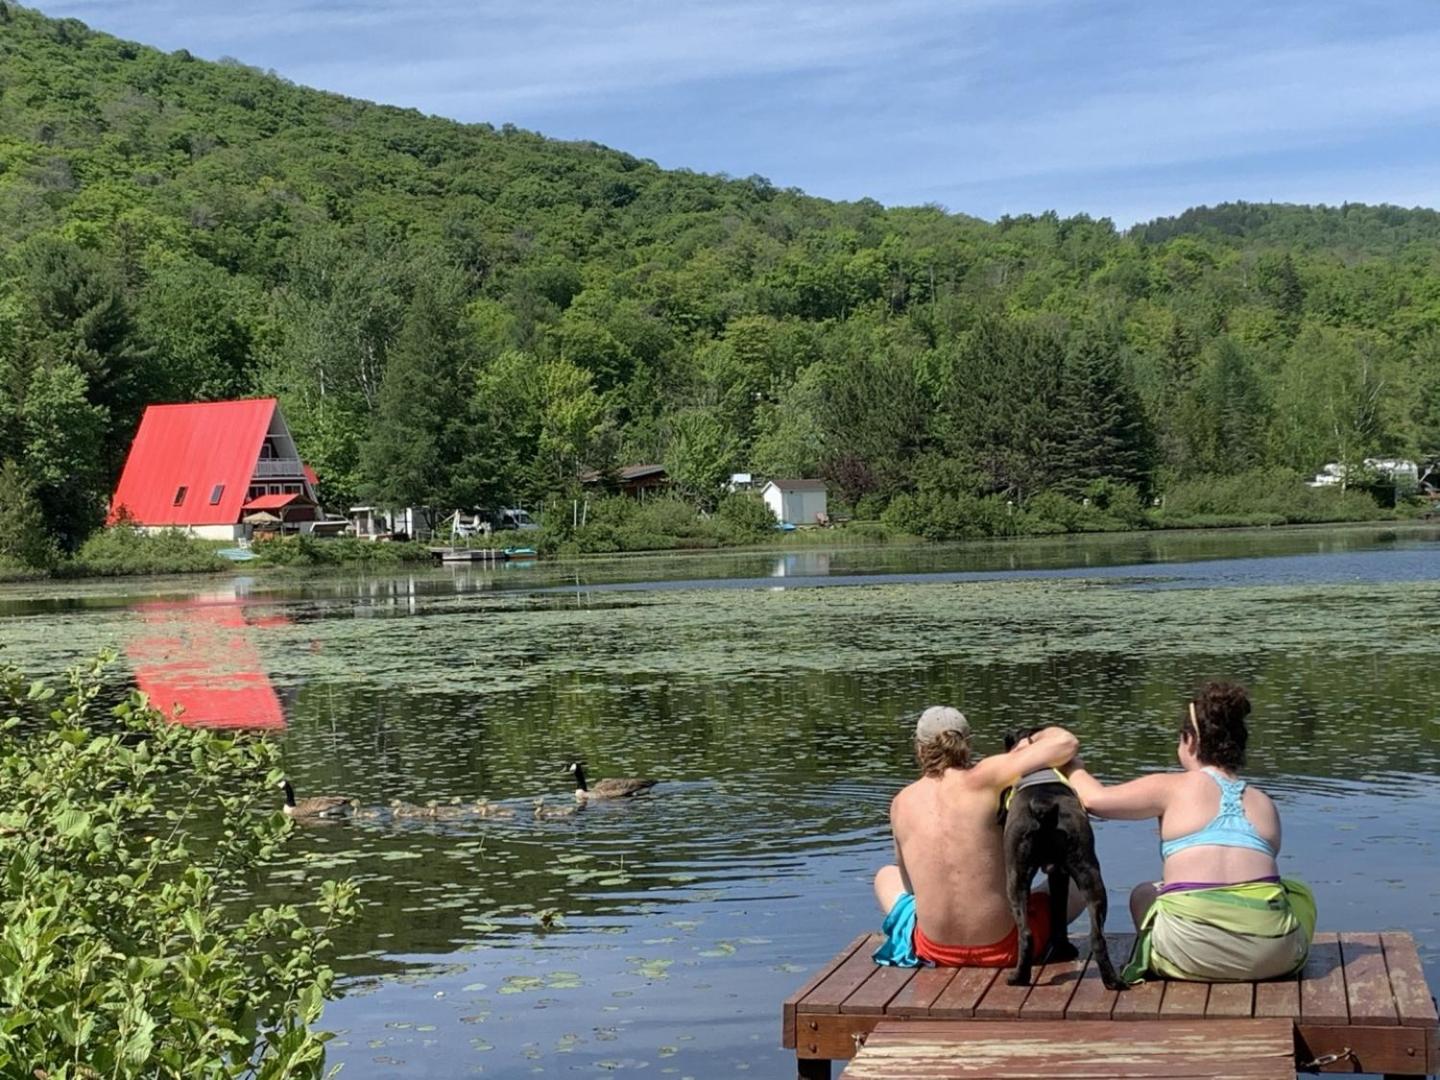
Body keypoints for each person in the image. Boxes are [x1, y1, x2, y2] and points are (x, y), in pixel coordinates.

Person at [1066, 682, 1316, 983]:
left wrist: (1073, 767)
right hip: (1273, 958)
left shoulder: (1171, 787)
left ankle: (1163, 956)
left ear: (1191, 742)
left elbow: (1095, 801)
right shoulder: (1264, 803)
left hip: (1191, 954)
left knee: (1144, 893)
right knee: (1296, 892)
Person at [872, 705, 1081, 967]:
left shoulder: (901, 802)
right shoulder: (987, 777)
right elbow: (1066, 743)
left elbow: (911, 887)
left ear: (920, 748)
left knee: (885, 876)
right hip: (1008, 947)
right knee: (1075, 880)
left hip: (933, 948)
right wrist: (1032, 741)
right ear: (966, 743)